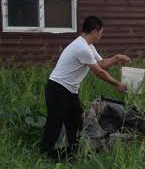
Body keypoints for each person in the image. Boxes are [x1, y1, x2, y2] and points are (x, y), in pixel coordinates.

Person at [40, 16, 130, 158]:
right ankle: (45, 154)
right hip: (57, 88)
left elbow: (101, 63)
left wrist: (116, 58)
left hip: (70, 91)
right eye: (101, 33)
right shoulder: (81, 47)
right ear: (94, 31)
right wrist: (117, 84)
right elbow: (98, 71)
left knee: (75, 122)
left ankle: (72, 153)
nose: (101, 36)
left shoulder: (88, 46)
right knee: (55, 122)